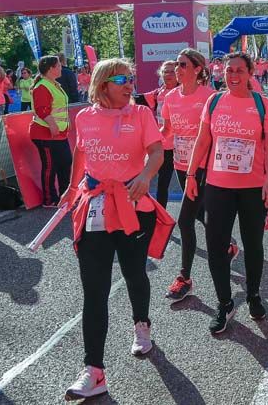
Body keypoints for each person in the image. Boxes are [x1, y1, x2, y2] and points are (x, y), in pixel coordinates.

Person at [62, 58, 165, 401]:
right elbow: (81, 151)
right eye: (122, 79)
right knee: (94, 290)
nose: (129, 84)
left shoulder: (140, 114)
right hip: (95, 208)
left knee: (135, 273)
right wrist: (71, 186)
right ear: (103, 82)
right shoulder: (84, 117)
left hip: (135, 208)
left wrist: (145, 176)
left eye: (131, 79)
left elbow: (156, 152)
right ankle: (94, 370)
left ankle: (141, 324)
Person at [186, 53, 268, 334]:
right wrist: (191, 174)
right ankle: (224, 303)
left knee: (253, 245)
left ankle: (253, 295)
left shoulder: (263, 105)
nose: (233, 75)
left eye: (239, 70)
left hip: (253, 187)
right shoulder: (214, 102)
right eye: (228, 70)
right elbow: (203, 140)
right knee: (216, 247)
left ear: (250, 72)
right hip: (218, 187)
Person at [160, 49, 233, 303]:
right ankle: (228, 245)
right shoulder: (170, 97)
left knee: (185, 220)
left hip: (205, 167)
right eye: (176, 65)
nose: (176, 70)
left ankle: (184, 278)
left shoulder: (210, 97)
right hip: (182, 164)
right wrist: (147, 144)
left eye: (182, 65)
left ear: (197, 69)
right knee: (202, 213)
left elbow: (219, 132)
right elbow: (167, 131)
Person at [31, 55, 73, 208]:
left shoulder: (53, 84)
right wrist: (52, 124)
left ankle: (64, 195)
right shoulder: (42, 86)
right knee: (50, 166)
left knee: (65, 163)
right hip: (46, 134)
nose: (61, 68)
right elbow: (42, 109)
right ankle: (49, 199)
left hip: (58, 134)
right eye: (59, 66)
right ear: (51, 69)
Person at [137, 60, 179, 209]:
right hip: (164, 145)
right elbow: (135, 100)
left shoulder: (185, 92)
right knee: (162, 183)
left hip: (182, 146)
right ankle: (161, 215)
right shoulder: (157, 93)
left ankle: (203, 216)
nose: (168, 75)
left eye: (172, 71)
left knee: (189, 185)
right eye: (165, 71)